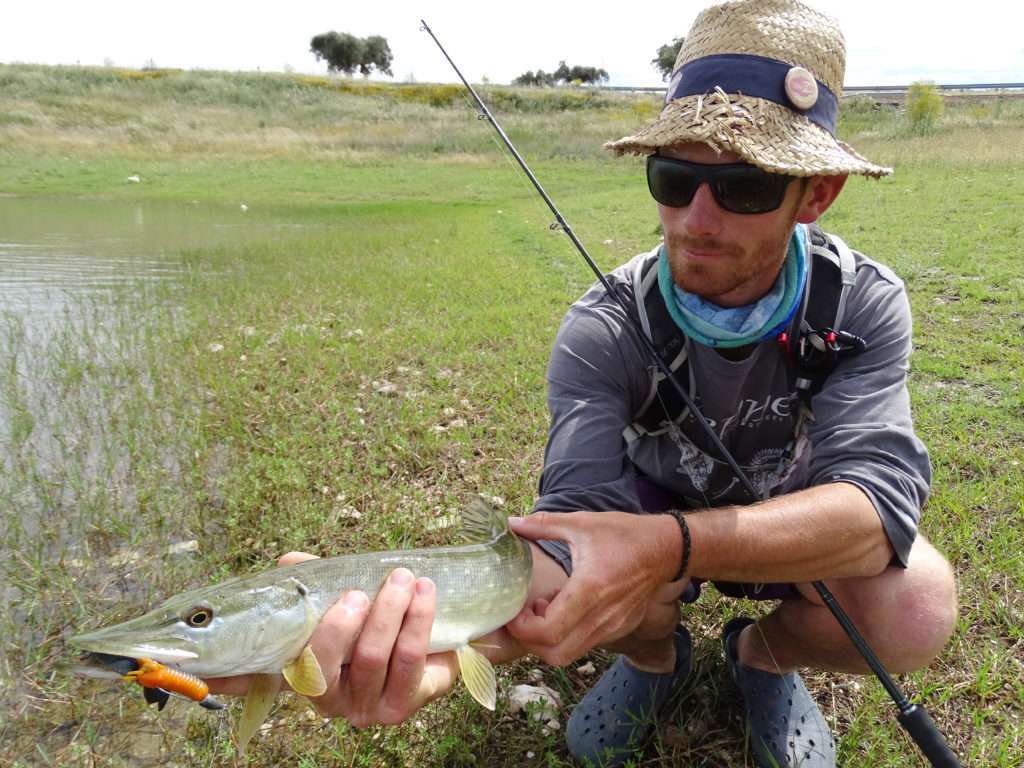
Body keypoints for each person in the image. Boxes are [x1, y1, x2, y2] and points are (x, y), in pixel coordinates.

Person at [209, 1, 959, 766]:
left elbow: (877, 512)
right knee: (617, 562)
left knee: (917, 607)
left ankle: (761, 655)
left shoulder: (860, 300)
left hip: (782, 531)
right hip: (639, 528)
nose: (697, 218)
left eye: (746, 188)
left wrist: (667, 547)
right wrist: (442, 639)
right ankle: (652, 657)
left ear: (816, 193)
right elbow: (571, 529)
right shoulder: (603, 325)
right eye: (673, 177)